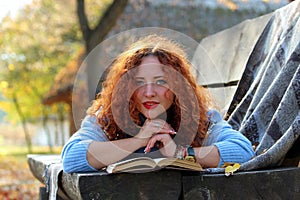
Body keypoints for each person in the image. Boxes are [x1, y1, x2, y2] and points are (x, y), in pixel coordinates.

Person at [61, 35, 255, 173]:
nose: (149, 92)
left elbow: (243, 151)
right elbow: (72, 157)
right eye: (139, 83)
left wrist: (178, 153)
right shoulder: (107, 118)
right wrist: (140, 140)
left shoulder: (201, 118)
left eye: (161, 82)